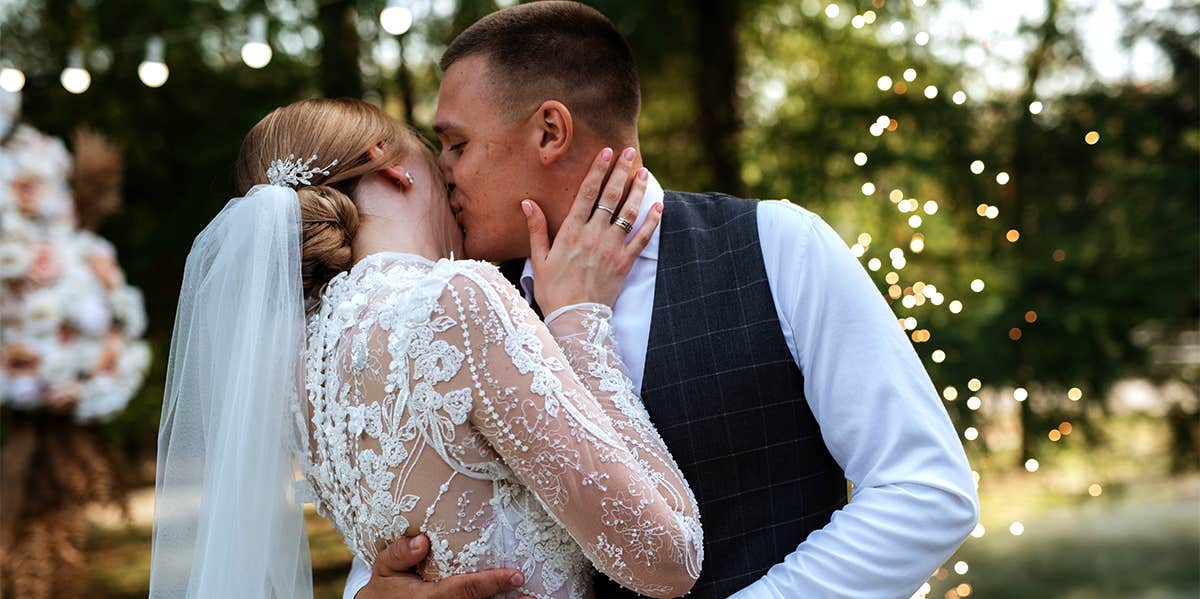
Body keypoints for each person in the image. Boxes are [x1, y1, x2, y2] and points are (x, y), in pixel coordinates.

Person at [348, 2, 979, 598]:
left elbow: (924, 488)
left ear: (549, 131)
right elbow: (407, 519)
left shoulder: (778, 245)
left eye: (457, 143)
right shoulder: (455, 312)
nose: (444, 170)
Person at [148, 97, 703, 599]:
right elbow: (668, 559)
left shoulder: (298, 366)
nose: (457, 192)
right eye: (444, 163)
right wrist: (579, 322)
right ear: (393, 166)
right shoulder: (458, 298)